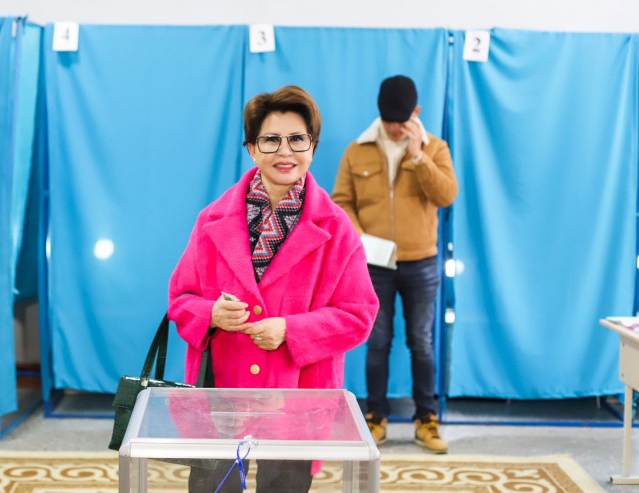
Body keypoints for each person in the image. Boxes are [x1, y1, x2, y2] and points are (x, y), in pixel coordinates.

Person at [168, 85, 379, 492]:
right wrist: (211, 314)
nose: (285, 151)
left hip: (297, 403)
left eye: (297, 139)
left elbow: (359, 314)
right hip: (221, 399)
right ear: (251, 148)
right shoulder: (212, 220)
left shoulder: (337, 228)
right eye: (270, 140)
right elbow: (180, 299)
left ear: (313, 147)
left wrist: (291, 330)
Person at [331, 75, 458, 453]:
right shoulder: (357, 151)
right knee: (377, 341)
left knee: (421, 342)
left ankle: (426, 420)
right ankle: (376, 417)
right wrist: (360, 238)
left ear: (416, 113)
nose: (395, 128)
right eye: (389, 121)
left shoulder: (435, 148)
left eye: (402, 121)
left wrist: (419, 157)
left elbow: (446, 195)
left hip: (422, 263)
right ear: (379, 112)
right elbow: (341, 202)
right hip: (374, 265)